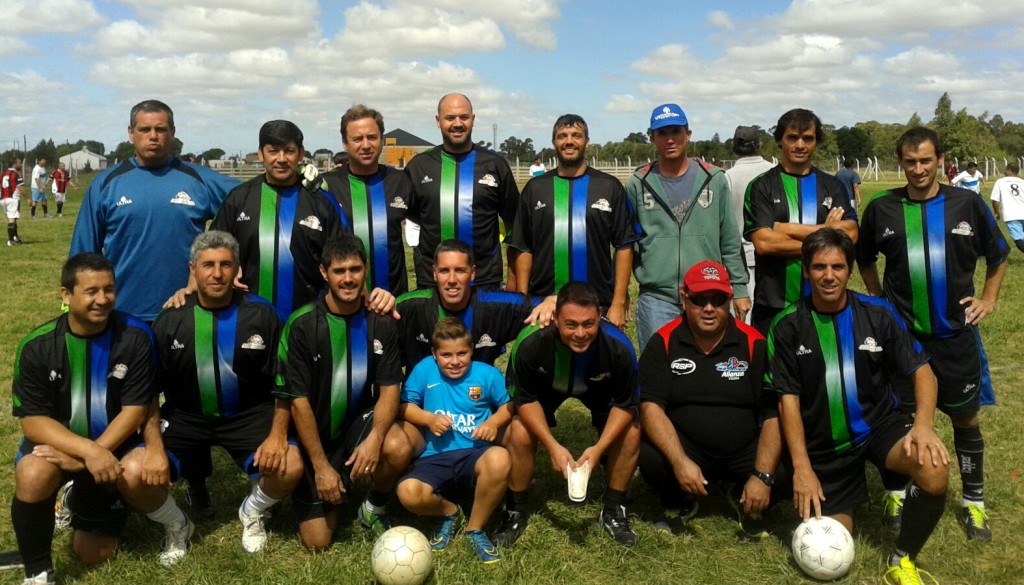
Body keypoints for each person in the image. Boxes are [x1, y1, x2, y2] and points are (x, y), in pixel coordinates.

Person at [772, 228, 949, 585]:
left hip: (879, 427)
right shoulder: (787, 325)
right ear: (806, 271)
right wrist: (802, 468)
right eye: (819, 267)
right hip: (826, 445)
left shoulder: (877, 313)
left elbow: (924, 372)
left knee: (933, 468)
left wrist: (923, 426)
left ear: (849, 270)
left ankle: (902, 559)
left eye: (837, 267)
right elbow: (787, 401)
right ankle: (855, 495)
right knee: (831, 549)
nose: (829, 276)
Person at [858, 127, 1008, 541]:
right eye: (910, 162)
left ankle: (974, 502)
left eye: (926, 160)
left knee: (965, 417)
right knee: (899, 419)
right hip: (904, 341)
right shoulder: (882, 207)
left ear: (940, 160)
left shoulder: (968, 203)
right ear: (900, 163)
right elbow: (864, 257)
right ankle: (896, 493)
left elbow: (998, 255)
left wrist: (989, 299)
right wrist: (877, 299)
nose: (918, 169)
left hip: (955, 337)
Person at [11, 254, 194, 585]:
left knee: (96, 549)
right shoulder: (37, 345)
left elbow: (135, 409)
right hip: (64, 449)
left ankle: (177, 523)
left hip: (118, 447)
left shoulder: (135, 335)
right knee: (32, 472)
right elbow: (33, 422)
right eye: (91, 291)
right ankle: (37, 573)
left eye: (109, 289)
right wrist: (88, 453)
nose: (102, 299)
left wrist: (92, 456)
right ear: (66, 295)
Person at [150, 231, 303, 552]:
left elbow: (285, 382)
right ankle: (177, 523)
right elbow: (148, 391)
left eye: (225, 265)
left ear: (237, 269)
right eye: (208, 265)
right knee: (138, 473)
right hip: (186, 416)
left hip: (248, 414)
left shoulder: (262, 314)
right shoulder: (170, 318)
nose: (217, 273)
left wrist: (278, 434)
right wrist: (151, 446)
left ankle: (252, 510)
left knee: (291, 466)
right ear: (193, 270)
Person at [276, 234, 411, 550]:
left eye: (354, 269)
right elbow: (298, 403)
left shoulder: (381, 323)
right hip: (315, 436)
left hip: (356, 426)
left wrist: (375, 439)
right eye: (339, 271)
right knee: (318, 542)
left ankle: (374, 504)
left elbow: (390, 390)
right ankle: (326, 482)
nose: (348, 278)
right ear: (324, 272)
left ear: (366, 269)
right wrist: (322, 467)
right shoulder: (302, 324)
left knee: (397, 445)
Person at [638, 260, 782, 538]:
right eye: (699, 300)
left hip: (744, 450)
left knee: (785, 467)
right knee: (650, 457)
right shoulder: (663, 342)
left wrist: (762, 475)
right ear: (684, 299)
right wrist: (679, 462)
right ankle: (680, 500)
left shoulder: (755, 344)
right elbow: (650, 407)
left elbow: (772, 413)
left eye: (717, 300)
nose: (708, 308)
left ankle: (744, 494)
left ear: (729, 300)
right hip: (688, 447)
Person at [496, 282, 641, 548]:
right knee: (518, 429)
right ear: (555, 318)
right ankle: (515, 509)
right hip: (546, 388)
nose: (580, 333)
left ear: (600, 316)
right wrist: (552, 446)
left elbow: (626, 404)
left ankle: (614, 509)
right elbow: (524, 400)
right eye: (571, 324)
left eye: (589, 324)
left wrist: (598, 448)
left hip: (599, 389)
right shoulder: (530, 342)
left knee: (631, 431)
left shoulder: (619, 347)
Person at [70, 99, 240, 322]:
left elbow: (251, 201)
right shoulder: (105, 184)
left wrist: (238, 264)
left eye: (160, 129)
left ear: (172, 133)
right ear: (131, 133)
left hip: (187, 309)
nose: (153, 136)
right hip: (123, 312)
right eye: (145, 129)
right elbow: (83, 252)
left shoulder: (199, 179)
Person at [627, 103, 750, 347]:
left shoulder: (713, 179)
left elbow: (729, 239)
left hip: (707, 296)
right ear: (652, 138)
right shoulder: (638, 183)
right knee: (659, 365)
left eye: (676, 132)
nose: (670, 139)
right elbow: (627, 245)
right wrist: (620, 298)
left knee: (708, 364)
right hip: (657, 298)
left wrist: (739, 289)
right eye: (662, 133)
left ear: (688, 134)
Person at [396, 317, 512, 563]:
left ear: (471, 350)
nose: (455, 361)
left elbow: (508, 405)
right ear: (434, 354)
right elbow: (404, 406)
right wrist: (429, 419)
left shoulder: (487, 374)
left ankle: (475, 529)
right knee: (408, 493)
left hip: (475, 454)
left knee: (500, 458)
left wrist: (493, 422)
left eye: (462, 353)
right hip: (435, 457)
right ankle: (450, 512)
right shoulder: (425, 369)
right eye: (446, 355)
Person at [508, 114, 639, 328]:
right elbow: (523, 248)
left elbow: (624, 245)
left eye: (576, 135)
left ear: (587, 142)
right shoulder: (535, 189)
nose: (569, 141)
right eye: (562, 136)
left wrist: (618, 302)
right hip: (544, 305)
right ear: (554, 143)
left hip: (598, 303)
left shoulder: (609, 186)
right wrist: (524, 301)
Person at [204, 120, 343, 321]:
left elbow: (343, 255)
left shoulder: (321, 201)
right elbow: (211, 249)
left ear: (300, 154)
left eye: (289, 151)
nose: (281, 159)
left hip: (309, 319)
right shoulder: (238, 199)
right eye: (273, 151)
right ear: (261, 154)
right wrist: (228, 269)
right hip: (249, 319)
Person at [743, 108, 858, 334]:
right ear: (779, 140)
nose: (800, 145)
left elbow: (851, 233)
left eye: (808, 138)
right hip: (773, 305)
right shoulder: (762, 186)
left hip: (825, 304)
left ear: (816, 142)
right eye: (792, 137)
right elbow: (765, 243)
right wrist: (827, 233)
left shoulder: (832, 185)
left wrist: (785, 228)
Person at [405, 93, 520, 291]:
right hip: (433, 281)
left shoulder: (494, 164)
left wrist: (513, 279)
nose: (457, 124)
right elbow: (410, 215)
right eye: (450, 118)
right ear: (438, 121)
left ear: (473, 120)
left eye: (464, 117)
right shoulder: (419, 167)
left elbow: (515, 225)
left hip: (484, 280)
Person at [396, 239, 554, 369]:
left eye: (460, 270)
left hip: (478, 396)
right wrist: (385, 300)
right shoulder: (411, 305)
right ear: (434, 273)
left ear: (472, 273)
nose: (452, 280)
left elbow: (549, 305)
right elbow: (384, 313)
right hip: (423, 397)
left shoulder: (495, 305)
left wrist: (552, 300)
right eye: (444, 271)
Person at [321, 104, 413, 295]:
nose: (365, 145)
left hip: (393, 299)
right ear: (345, 143)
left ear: (382, 140)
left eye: (372, 137)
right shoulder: (327, 186)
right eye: (357, 139)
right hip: (344, 298)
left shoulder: (401, 181)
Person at [724, 126, 775, 313]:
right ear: (759, 145)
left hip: (742, 258)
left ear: (733, 146)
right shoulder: (774, 171)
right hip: (774, 251)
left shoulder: (728, 177)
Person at [990, 162, 1024, 254]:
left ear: (1009, 170)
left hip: (1011, 215)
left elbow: (995, 199)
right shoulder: (1022, 182)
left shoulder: (1000, 182)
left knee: (1019, 239)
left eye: (1005, 169)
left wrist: (996, 212)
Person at [2, 158, 25, 246]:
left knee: (12, 218)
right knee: (12, 219)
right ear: (14, 164)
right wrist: (28, 199)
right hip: (13, 198)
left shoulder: (3, 173)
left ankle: (15, 237)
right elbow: (20, 187)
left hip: (3, 199)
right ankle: (10, 241)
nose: (21, 165)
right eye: (20, 163)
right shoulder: (16, 174)